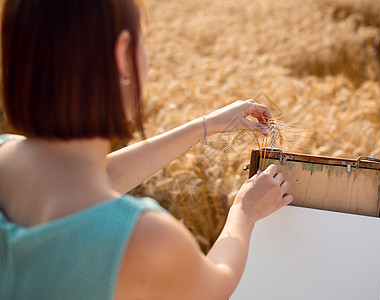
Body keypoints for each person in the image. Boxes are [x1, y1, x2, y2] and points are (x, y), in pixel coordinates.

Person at [0, 0, 293, 299]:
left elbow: (102, 178)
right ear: (122, 54)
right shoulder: (141, 237)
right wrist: (244, 211)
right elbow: (213, 288)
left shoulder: (5, 153)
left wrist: (204, 125)